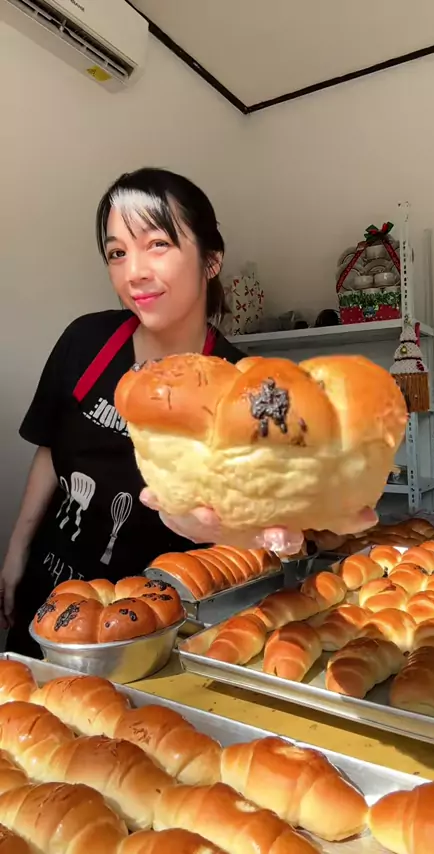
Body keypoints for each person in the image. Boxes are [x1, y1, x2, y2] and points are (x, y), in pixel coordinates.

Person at [0, 167, 377, 656]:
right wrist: (16, 552)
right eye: (117, 252)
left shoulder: (246, 387)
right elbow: (52, 450)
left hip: (161, 624)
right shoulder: (85, 342)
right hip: (54, 599)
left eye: (157, 244)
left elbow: (264, 514)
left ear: (211, 259)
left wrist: (285, 532)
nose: (134, 272)